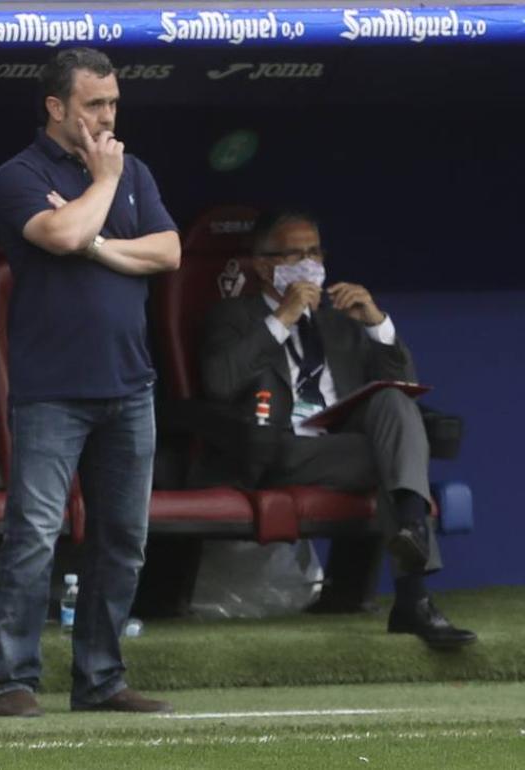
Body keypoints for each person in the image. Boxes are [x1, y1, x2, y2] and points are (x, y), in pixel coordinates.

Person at [0, 47, 181, 717]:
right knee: (35, 534)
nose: (107, 116)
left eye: (113, 104)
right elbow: (61, 234)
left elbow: (168, 250)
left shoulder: (137, 172)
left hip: (130, 386)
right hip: (52, 389)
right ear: (56, 107)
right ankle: (14, 680)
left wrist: (99, 241)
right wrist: (100, 184)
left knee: (123, 538)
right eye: (94, 104)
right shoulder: (20, 174)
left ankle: (100, 681)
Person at [199, 211, 477, 649]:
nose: (309, 262)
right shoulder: (233, 316)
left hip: (340, 441)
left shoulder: (338, 322)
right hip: (278, 447)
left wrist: (376, 324)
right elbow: (219, 382)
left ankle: (411, 566)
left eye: (315, 252)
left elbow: (402, 386)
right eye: (295, 253)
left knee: (392, 403)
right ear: (263, 265)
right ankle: (414, 585)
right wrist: (282, 320)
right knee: (400, 463)